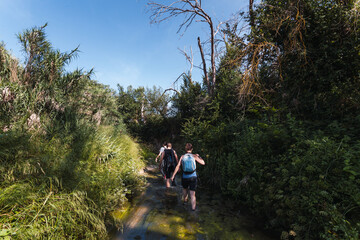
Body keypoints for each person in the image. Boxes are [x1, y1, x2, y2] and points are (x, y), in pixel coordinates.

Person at [171, 143, 205, 211]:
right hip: (193, 176)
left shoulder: (182, 156)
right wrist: (199, 156)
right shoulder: (194, 156)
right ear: (192, 149)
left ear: (185, 149)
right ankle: (193, 209)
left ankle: (185, 202)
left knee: (184, 189)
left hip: (185, 177)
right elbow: (203, 163)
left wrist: (173, 175)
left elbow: (178, 166)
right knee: (192, 194)